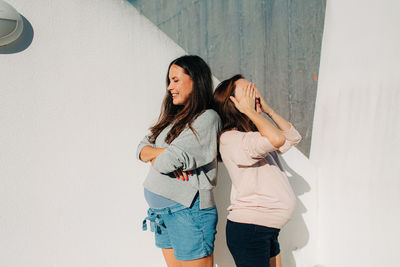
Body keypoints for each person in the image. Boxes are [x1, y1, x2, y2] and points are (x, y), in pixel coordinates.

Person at [137, 55, 221, 267]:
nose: (169, 87)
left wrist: (158, 154)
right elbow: (140, 149)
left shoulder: (207, 118)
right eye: (169, 81)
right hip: (161, 214)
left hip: (187, 213)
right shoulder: (173, 118)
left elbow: (168, 162)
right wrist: (163, 153)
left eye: (176, 80)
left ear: (196, 79)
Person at [213, 74, 302, 267]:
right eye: (247, 90)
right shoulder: (230, 139)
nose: (254, 92)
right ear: (234, 103)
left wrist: (267, 110)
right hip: (250, 229)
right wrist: (251, 112)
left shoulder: (254, 134)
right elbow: (277, 140)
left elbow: (292, 137)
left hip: (266, 228)